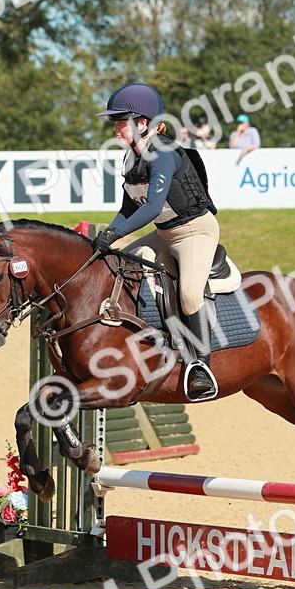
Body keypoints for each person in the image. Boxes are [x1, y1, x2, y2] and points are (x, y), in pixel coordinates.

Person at [91, 83, 222, 401]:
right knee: (118, 267)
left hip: (195, 232)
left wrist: (115, 234)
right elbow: (128, 208)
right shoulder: (130, 158)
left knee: (190, 294)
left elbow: (150, 207)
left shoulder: (162, 153)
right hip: (164, 234)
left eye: (122, 121)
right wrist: (106, 237)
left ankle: (201, 367)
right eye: (115, 122)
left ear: (144, 123)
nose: (116, 127)